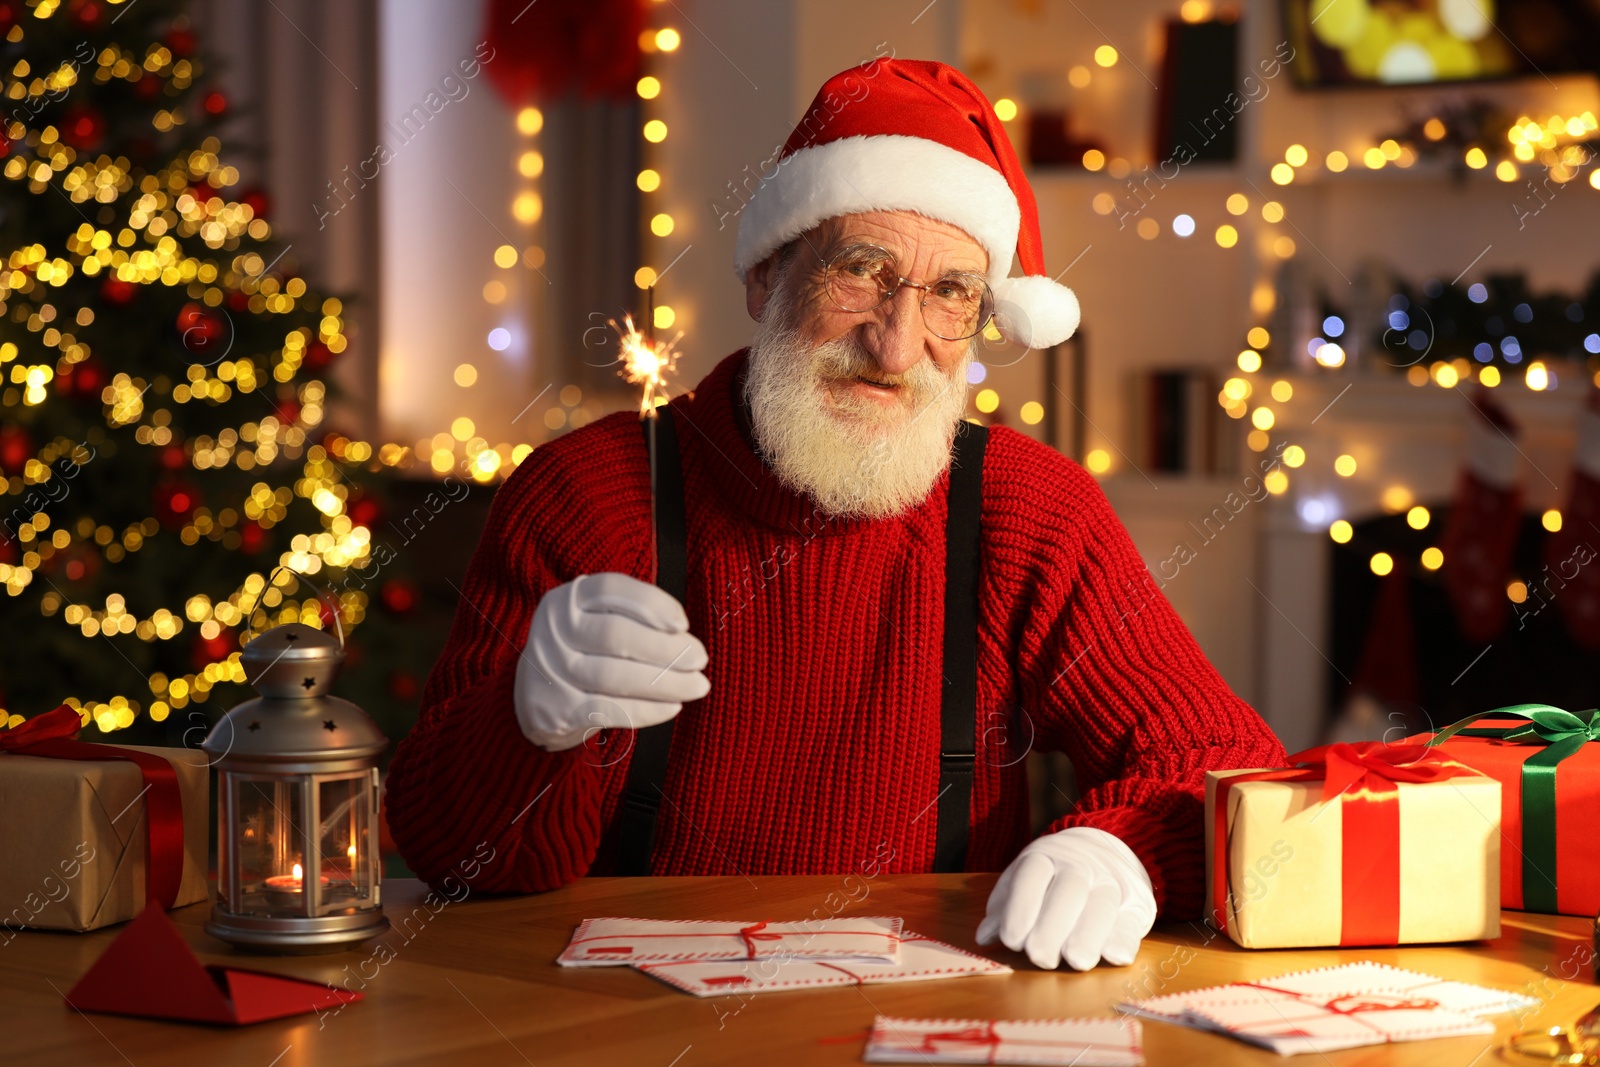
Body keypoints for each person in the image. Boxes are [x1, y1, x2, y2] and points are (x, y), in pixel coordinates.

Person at [384, 58, 1285, 971]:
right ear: (767, 277)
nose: (898, 345)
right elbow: (456, 863)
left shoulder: (1027, 508)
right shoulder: (587, 492)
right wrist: (524, 724)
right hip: (624, 1025)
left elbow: (1225, 766)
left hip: (925, 1015)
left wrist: (1121, 848)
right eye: (863, 270)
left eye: (951, 294)